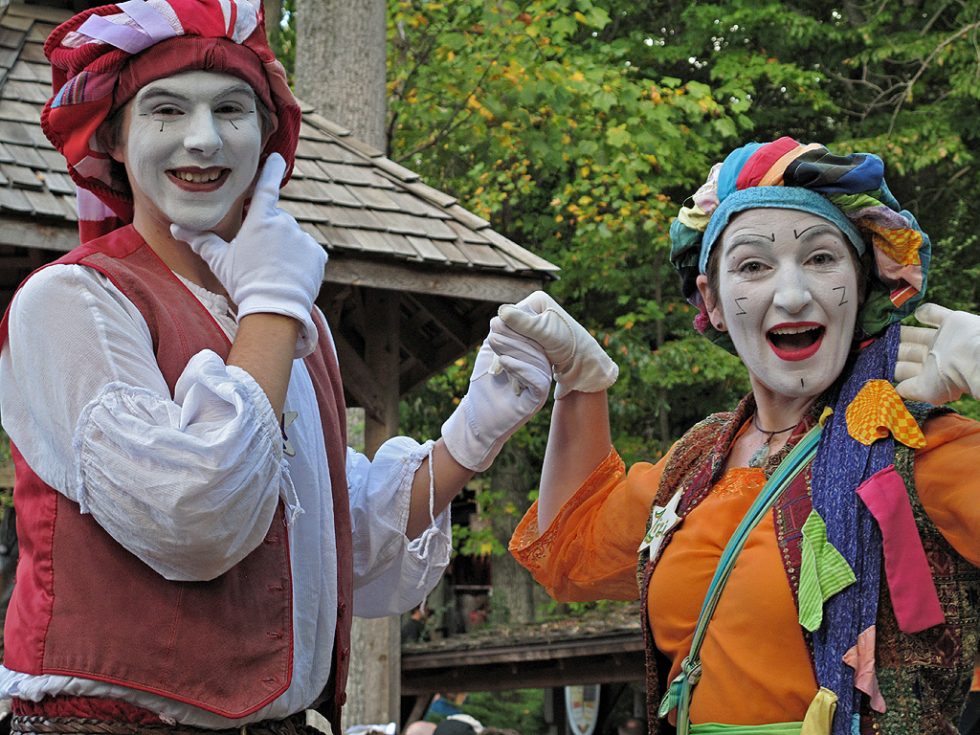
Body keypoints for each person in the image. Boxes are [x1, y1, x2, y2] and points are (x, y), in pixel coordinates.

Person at [0, 2, 552, 734]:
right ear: (114, 136)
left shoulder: (292, 324)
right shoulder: (70, 301)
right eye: (166, 110)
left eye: (232, 109)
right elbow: (199, 514)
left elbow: (326, 535)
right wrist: (271, 299)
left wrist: (475, 432)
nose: (203, 138)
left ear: (267, 140)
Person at [501, 137, 980, 734]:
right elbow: (571, 555)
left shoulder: (917, 446)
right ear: (714, 301)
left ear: (862, 285)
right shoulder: (696, 461)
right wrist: (581, 387)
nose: (792, 294)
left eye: (822, 259)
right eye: (753, 265)